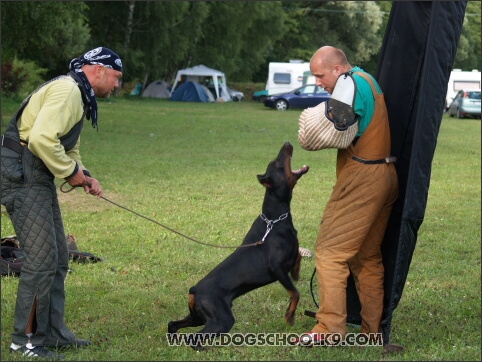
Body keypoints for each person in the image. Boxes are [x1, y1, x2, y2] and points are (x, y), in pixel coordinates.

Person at [1, 46, 122, 359]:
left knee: (56, 259)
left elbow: (68, 145)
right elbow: (42, 139)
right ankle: (25, 342)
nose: (117, 85)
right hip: (22, 176)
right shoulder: (68, 90)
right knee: (41, 262)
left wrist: (83, 174)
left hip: (36, 176)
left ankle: (53, 335)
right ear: (98, 70)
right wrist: (69, 173)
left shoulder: (77, 94)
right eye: (116, 77)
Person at [300, 46, 399, 344]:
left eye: (320, 75)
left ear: (337, 69)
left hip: (363, 178)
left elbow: (338, 120)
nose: (318, 82)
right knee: (366, 257)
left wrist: (316, 121)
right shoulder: (368, 80)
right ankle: (371, 332)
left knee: (330, 253)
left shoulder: (348, 83)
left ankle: (328, 331)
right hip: (386, 175)